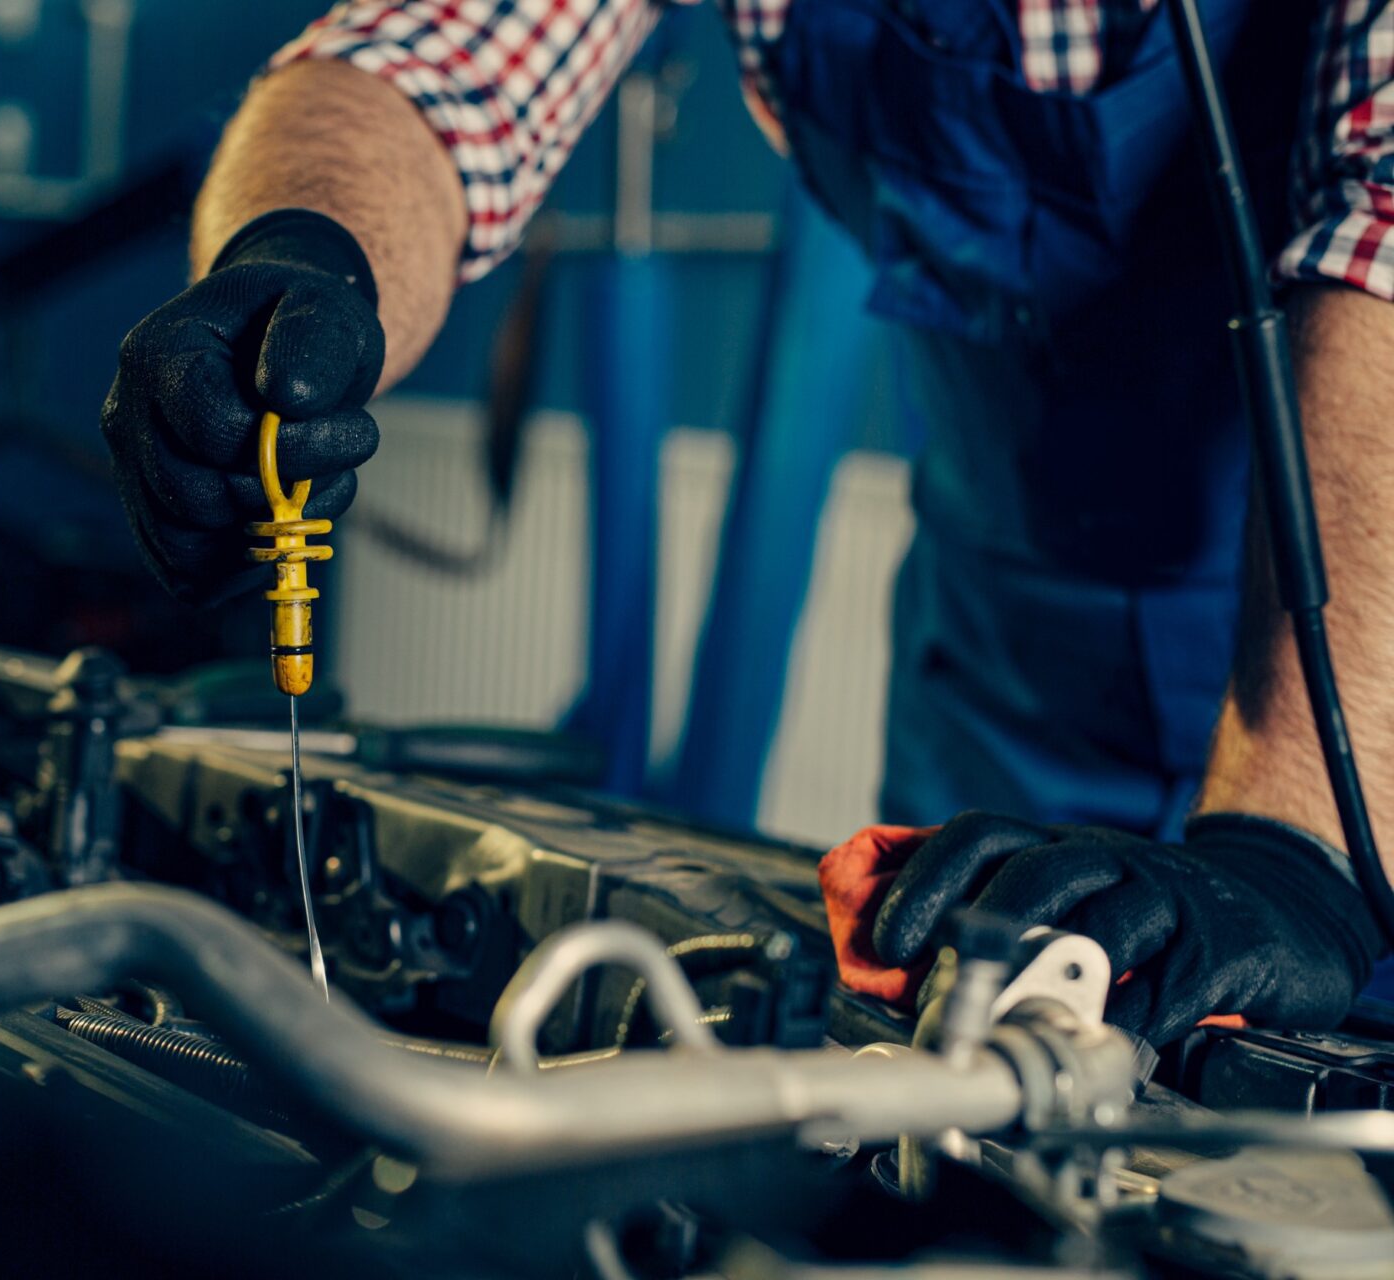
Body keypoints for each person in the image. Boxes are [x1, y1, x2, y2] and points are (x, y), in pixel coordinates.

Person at [101, 0, 1394, 1046]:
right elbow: (426, 53)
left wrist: (1299, 846)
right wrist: (299, 265)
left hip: (1367, 689)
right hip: (1005, 666)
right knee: (946, 1149)